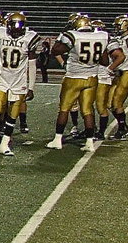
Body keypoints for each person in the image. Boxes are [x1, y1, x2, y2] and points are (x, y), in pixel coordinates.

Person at [46, 14, 113, 152]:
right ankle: (89, 142)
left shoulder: (73, 35)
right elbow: (105, 61)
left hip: (74, 77)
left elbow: (56, 50)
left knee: (64, 108)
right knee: (87, 110)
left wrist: (63, 36)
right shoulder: (101, 36)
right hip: (92, 77)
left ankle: (57, 139)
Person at [0, 12, 39, 156]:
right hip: (3, 79)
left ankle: (5, 143)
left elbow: (32, 65)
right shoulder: (0, 33)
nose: (17, 29)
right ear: (8, 25)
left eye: (19, 25)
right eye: (14, 25)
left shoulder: (30, 38)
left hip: (18, 81)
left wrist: (31, 87)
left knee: (13, 113)